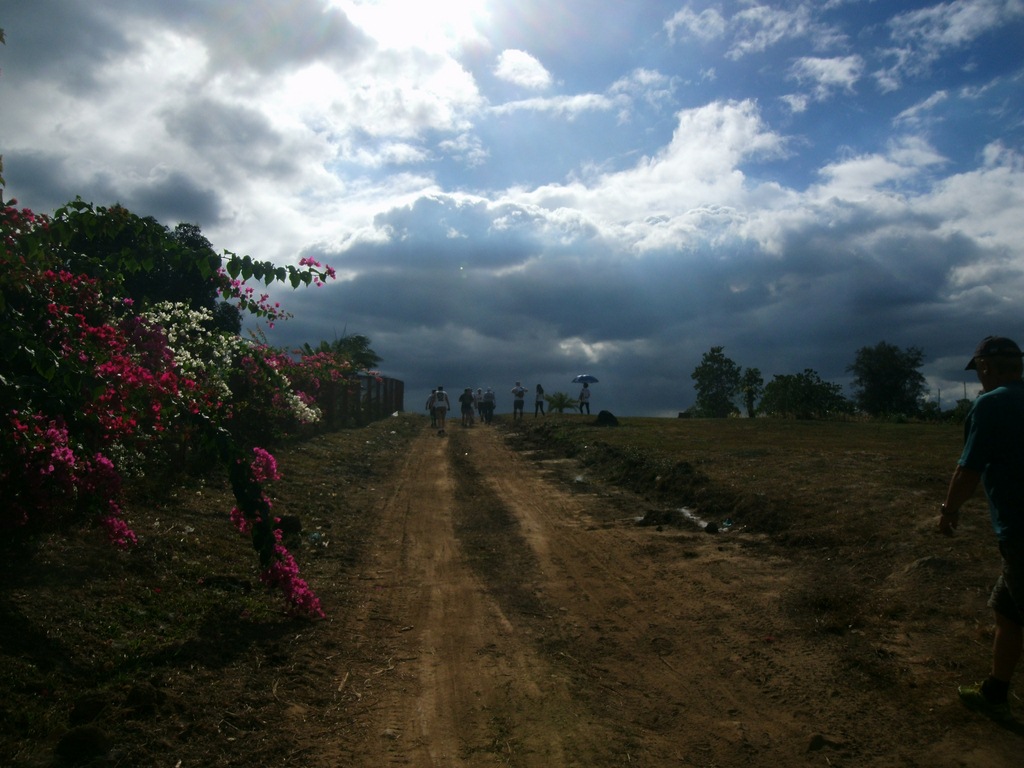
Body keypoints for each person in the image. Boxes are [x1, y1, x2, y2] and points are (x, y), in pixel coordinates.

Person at [940, 336, 1024, 721]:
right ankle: (994, 693)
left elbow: (968, 470)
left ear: (986, 366)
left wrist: (949, 511)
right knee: (1007, 611)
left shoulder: (991, 404)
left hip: (1020, 531)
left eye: (979, 371)